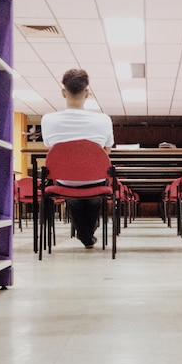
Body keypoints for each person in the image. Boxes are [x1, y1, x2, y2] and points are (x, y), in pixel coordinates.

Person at [41, 68, 114, 248]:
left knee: (73, 192)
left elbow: (52, 150)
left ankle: (85, 235)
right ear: (87, 93)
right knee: (94, 193)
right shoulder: (104, 120)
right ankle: (87, 235)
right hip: (95, 180)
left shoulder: (48, 119)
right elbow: (106, 151)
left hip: (65, 181)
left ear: (63, 92)